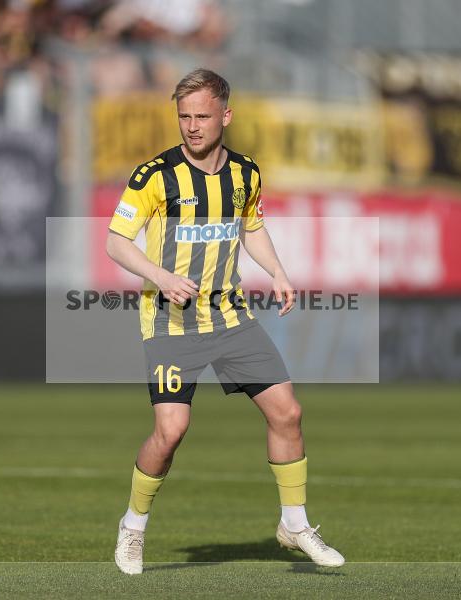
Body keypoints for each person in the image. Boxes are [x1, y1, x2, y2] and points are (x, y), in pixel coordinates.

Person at [105, 68, 345, 574]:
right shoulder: (154, 176)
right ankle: (132, 526)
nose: (192, 126)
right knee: (171, 431)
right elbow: (116, 242)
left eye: (202, 116)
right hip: (172, 320)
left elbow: (251, 227)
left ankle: (295, 524)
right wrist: (161, 276)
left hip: (230, 315)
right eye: (184, 116)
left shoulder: (246, 174)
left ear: (225, 116)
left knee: (288, 413)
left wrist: (277, 271)